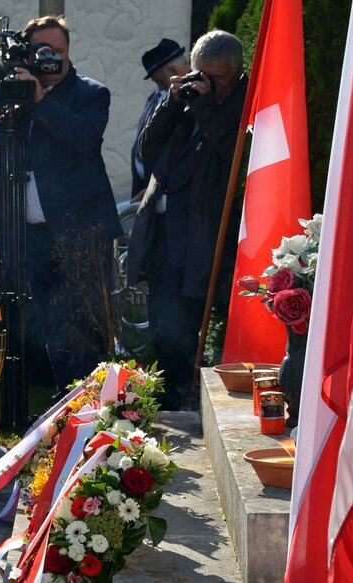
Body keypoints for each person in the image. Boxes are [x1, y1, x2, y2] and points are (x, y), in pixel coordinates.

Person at [0, 15, 122, 395]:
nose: (52, 57)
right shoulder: (13, 86)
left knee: (84, 321)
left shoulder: (91, 93)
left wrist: (40, 99)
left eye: (59, 50)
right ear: (28, 52)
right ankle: (58, 395)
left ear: (69, 51)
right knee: (43, 321)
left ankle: (89, 401)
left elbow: (83, 137)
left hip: (80, 232)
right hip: (28, 233)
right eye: (43, 50)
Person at [126, 30, 248, 410]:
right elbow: (147, 149)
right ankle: (171, 399)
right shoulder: (185, 97)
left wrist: (207, 105)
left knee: (191, 325)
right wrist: (171, 102)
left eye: (217, 78)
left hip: (204, 237)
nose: (207, 84)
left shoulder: (245, 102)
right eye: (201, 75)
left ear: (236, 73)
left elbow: (238, 158)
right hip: (163, 232)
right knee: (164, 325)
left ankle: (192, 401)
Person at [130, 38, 190, 200]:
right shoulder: (154, 98)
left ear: (171, 71)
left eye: (158, 80)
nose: (158, 87)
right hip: (146, 186)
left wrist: (155, 187)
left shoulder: (186, 101)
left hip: (165, 190)